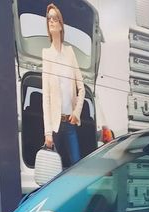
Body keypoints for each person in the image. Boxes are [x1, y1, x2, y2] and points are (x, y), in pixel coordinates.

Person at [41, 3, 85, 168]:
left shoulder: (70, 52)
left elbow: (81, 88)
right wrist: (48, 133)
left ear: (61, 24)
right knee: (55, 170)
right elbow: (46, 98)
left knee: (77, 166)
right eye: (48, 18)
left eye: (54, 18)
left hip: (70, 123)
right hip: (55, 126)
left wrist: (77, 112)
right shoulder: (46, 54)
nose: (51, 21)